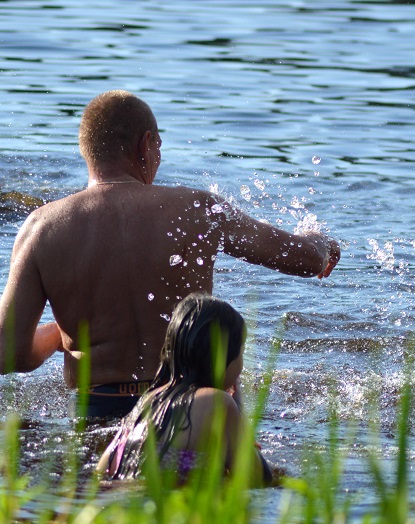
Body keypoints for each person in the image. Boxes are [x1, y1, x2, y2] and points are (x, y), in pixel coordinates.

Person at [0, 90, 340, 418]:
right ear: (145, 145)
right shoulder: (196, 209)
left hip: (96, 408)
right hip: (190, 407)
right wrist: (322, 243)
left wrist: (57, 336)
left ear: (88, 152)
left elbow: (7, 354)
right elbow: (305, 259)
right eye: (159, 148)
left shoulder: (42, 227)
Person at [96, 293, 276, 486]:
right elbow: (259, 478)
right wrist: (239, 409)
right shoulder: (218, 402)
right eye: (241, 353)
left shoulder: (149, 399)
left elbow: (103, 468)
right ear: (223, 355)